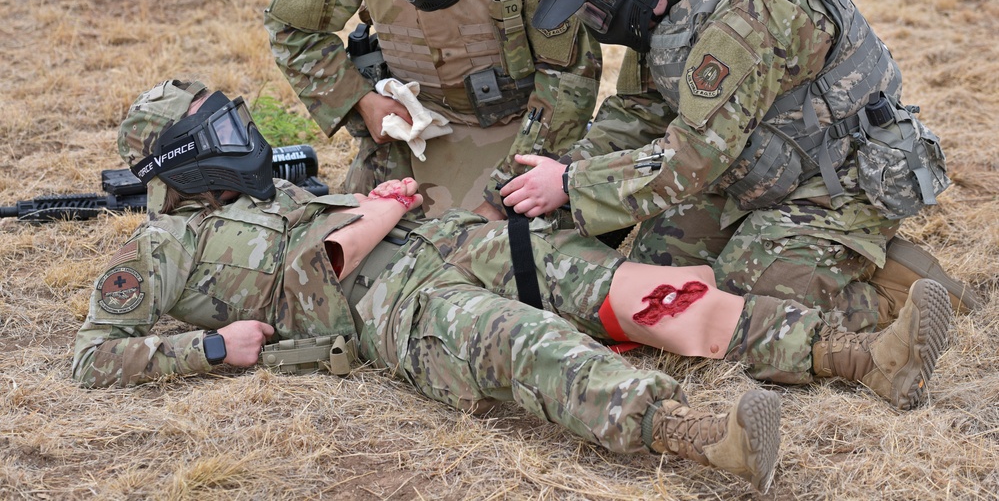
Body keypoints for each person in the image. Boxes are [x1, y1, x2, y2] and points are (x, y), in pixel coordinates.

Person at [74, 80, 954, 492]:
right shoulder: (158, 253)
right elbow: (91, 360)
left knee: (621, 285)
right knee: (529, 346)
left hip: (443, 238)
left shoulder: (279, 187)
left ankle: (855, 355)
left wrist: (386, 199)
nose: (238, 132)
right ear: (181, 159)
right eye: (214, 126)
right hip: (384, 307)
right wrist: (211, 348)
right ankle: (696, 435)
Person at [500, 0, 979, 332]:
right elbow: (638, 111)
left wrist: (571, 186)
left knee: (735, 309)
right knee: (661, 280)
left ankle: (899, 287)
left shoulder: (748, 14)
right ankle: (804, 253)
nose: (598, 22)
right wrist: (568, 167)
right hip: (758, 165)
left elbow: (692, 157)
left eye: (599, 6)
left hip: (840, 178)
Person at [264, 0, 602, 218]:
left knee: (502, 255)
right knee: (358, 238)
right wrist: (362, 101)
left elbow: (569, 75)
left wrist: (502, 198)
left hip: (519, 124)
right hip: (415, 124)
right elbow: (290, 25)